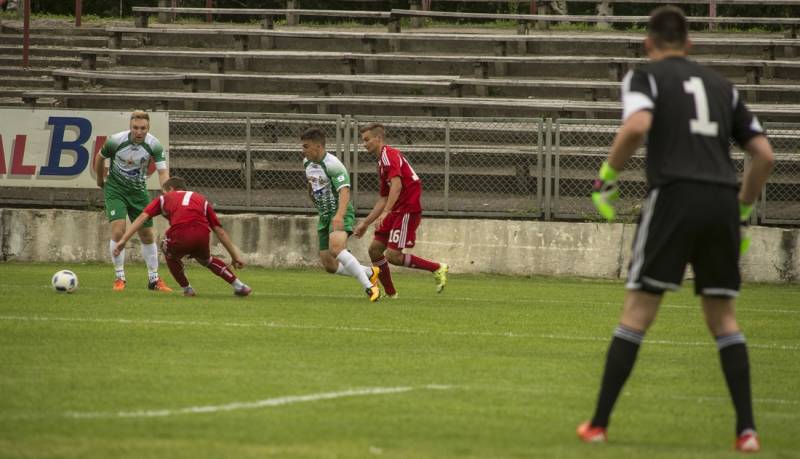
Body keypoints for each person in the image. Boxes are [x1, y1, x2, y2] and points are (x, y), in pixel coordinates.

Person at [578, 6, 774, 453]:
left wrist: (606, 176)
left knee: (637, 313)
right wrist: (742, 208)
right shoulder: (723, 87)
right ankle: (747, 431)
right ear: (690, 44)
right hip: (722, 201)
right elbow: (764, 155)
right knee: (723, 319)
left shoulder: (645, 76)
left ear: (648, 43)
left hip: (673, 196)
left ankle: (598, 425)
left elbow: (637, 125)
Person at [113, 176, 252, 297]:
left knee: (167, 250)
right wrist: (235, 256)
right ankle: (240, 286)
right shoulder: (201, 199)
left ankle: (187, 289)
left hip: (181, 233)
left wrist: (123, 240)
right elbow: (219, 230)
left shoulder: (164, 198)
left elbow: (143, 216)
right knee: (206, 260)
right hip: (202, 234)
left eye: (164, 191)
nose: (163, 194)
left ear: (171, 189)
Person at [353, 123, 449, 298]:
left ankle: (437, 268)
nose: (364, 144)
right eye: (363, 141)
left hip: (407, 209)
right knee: (375, 250)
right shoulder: (382, 162)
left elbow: (396, 186)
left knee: (393, 256)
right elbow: (384, 197)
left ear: (378, 138)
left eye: (367, 140)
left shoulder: (388, 156)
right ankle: (391, 294)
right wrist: (365, 223)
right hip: (396, 210)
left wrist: (386, 212)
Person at [301, 127, 380, 302]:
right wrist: (312, 195)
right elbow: (312, 182)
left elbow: (344, 190)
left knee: (336, 248)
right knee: (329, 265)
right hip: (324, 214)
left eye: (306, 146)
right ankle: (369, 272)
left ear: (318, 146)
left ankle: (369, 287)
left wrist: (339, 215)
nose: (303, 150)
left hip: (339, 211)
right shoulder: (307, 163)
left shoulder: (333, 164)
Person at [95, 110, 171, 292]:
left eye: (143, 128)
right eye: (135, 128)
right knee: (118, 230)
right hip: (115, 189)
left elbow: (162, 172)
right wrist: (99, 180)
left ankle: (154, 279)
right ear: (130, 126)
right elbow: (99, 157)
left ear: (148, 128)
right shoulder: (116, 140)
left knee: (147, 235)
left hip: (138, 193)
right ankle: (119, 277)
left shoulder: (154, 145)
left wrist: (168, 194)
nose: (139, 132)